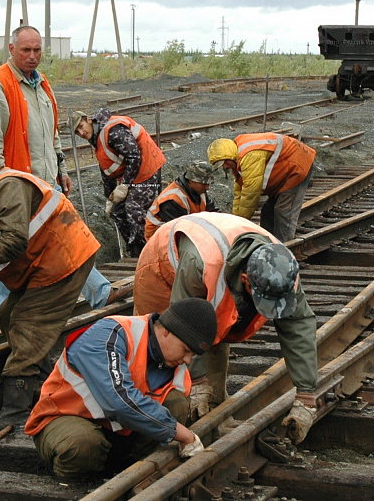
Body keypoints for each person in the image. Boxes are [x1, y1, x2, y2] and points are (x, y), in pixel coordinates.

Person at [0, 150, 100, 431]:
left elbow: (13, 242)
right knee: (7, 317)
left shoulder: (6, 186)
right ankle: (49, 379)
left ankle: (15, 409)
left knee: (26, 325)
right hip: (38, 264)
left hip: (64, 256)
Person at [133, 212, 318, 440]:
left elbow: (298, 327)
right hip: (161, 265)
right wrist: (198, 381)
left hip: (212, 255)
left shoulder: (283, 271)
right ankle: (148, 417)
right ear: (245, 279)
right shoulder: (202, 263)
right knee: (157, 343)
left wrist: (306, 396)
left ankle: (213, 408)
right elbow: (182, 324)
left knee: (218, 327)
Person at [0, 24, 110, 308]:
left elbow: (52, 133)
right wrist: (3, 194)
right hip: (16, 192)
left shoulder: (41, 83)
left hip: (46, 187)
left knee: (66, 241)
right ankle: (7, 316)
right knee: (9, 253)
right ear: (11, 49)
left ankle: (100, 292)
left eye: (37, 50)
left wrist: (61, 169)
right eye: (26, 50)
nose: (32, 56)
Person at [25, 298, 217, 481]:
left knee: (176, 404)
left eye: (192, 354)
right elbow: (117, 401)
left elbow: (174, 407)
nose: (187, 360)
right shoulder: (110, 333)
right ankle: (78, 482)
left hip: (116, 430)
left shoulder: (172, 362)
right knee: (83, 446)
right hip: (63, 415)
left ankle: (133, 471)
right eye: (185, 350)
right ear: (167, 331)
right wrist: (184, 435)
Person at [73, 108, 166, 256]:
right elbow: (107, 169)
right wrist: (110, 197)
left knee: (133, 209)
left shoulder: (113, 131)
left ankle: (146, 251)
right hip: (133, 173)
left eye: (81, 127)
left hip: (147, 167)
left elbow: (134, 156)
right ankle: (134, 249)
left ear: (88, 120)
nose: (81, 133)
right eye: (77, 132)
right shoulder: (97, 138)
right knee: (117, 211)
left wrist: (125, 185)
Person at [206, 133, 316, 242]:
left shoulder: (250, 155)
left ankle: (285, 247)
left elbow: (251, 193)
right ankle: (268, 244)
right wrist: (236, 219)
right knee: (267, 211)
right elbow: (240, 191)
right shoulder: (237, 156)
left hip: (297, 165)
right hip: (282, 171)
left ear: (229, 156)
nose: (225, 167)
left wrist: (240, 223)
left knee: (283, 209)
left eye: (224, 163)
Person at [145, 160, 218, 241]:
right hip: (158, 239)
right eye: (204, 184)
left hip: (184, 230)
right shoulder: (173, 199)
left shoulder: (199, 191)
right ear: (191, 181)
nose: (207, 188)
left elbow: (213, 213)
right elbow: (180, 232)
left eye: (208, 184)